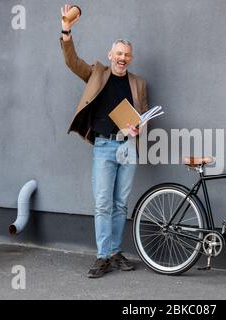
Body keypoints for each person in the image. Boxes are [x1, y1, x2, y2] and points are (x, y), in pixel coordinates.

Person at [59, 4, 148, 278]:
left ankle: (113, 252)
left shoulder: (139, 83)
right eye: (118, 54)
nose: (122, 58)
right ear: (111, 55)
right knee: (102, 203)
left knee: (121, 203)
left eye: (127, 55)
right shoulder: (97, 73)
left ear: (130, 59)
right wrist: (66, 30)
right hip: (104, 146)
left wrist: (139, 128)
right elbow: (72, 61)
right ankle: (102, 255)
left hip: (127, 147)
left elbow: (144, 115)